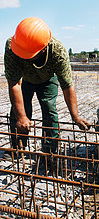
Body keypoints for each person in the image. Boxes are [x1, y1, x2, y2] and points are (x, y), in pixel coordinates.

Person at [4, 17, 90, 157]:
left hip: (48, 79)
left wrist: (75, 117)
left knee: (49, 108)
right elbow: (14, 83)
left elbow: (67, 85)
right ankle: (18, 147)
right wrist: (21, 117)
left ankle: (50, 150)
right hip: (24, 80)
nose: (24, 57)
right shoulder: (12, 46)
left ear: (43, 49)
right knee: (19, 111)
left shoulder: (58, 51)